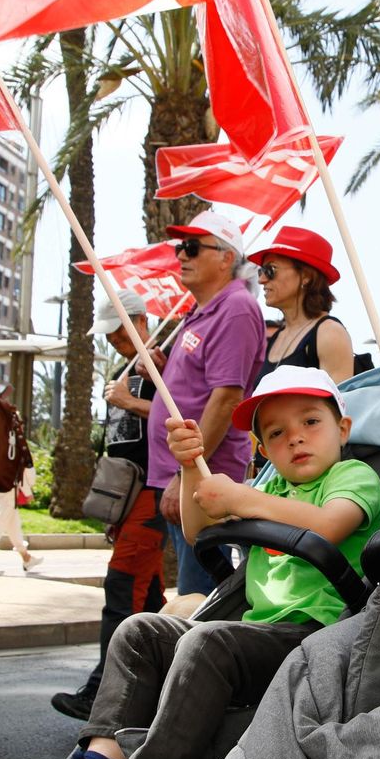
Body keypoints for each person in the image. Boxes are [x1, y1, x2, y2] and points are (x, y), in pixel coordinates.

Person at [0, 365, 380, 759]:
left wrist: (241, 497)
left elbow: (328, 526)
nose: (296, 439)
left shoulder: (353, 476)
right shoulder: (272, 487)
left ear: (342, 428)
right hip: (260, 632)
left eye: (311, 423)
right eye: (277, 433)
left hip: (319, 638)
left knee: (207, 643)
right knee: (139, 632)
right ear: (262, 450)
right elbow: (200, 530)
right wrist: (189, 465)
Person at [51, 288, 166, 721]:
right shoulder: (128, 365)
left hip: (153, 492)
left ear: (139, 323)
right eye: (110, 334)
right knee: (147, 596)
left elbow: (179, 413)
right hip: (129, 498)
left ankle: (104, 694)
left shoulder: (160, 359)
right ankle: (151, 690)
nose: (113, 340)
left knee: (123, 589)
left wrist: (129, 401)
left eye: (119, 331)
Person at [151, 212, 265, 598]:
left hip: (200, 476)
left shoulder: (234, 308)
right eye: (181, 247)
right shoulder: (206, 310)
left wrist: (185, 477)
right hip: (187, 472)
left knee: (197, 595)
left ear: (225, 258)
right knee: (193, 588)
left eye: (193, 247)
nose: (182, 255)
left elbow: (227, 397)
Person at [251, 226, 354, 384]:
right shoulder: (277, 337)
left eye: (270, 270)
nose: (261, 280)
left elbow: (340, 405)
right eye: (261, 271)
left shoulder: (330, 334)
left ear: (306, 276)